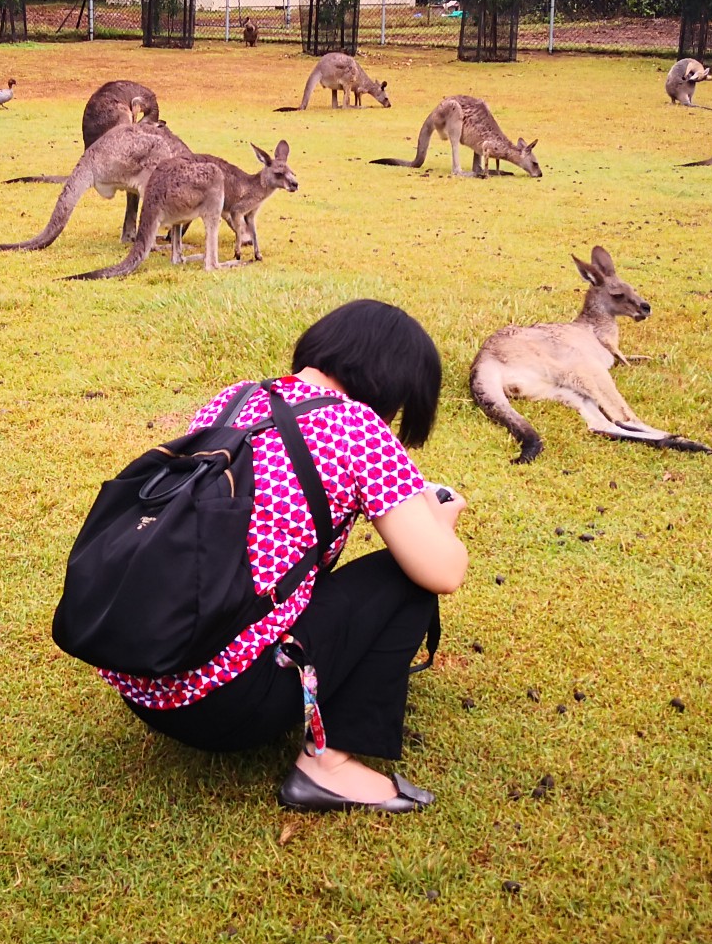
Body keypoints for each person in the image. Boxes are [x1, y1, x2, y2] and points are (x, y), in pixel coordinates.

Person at [102, 299, 467, 813]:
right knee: (405, 578)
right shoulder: (360, 428)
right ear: (394, 384)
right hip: (225, 708)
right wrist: (439, 519)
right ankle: (328, 766)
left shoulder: (236, 399)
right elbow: (444, 570)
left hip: (144, 674)